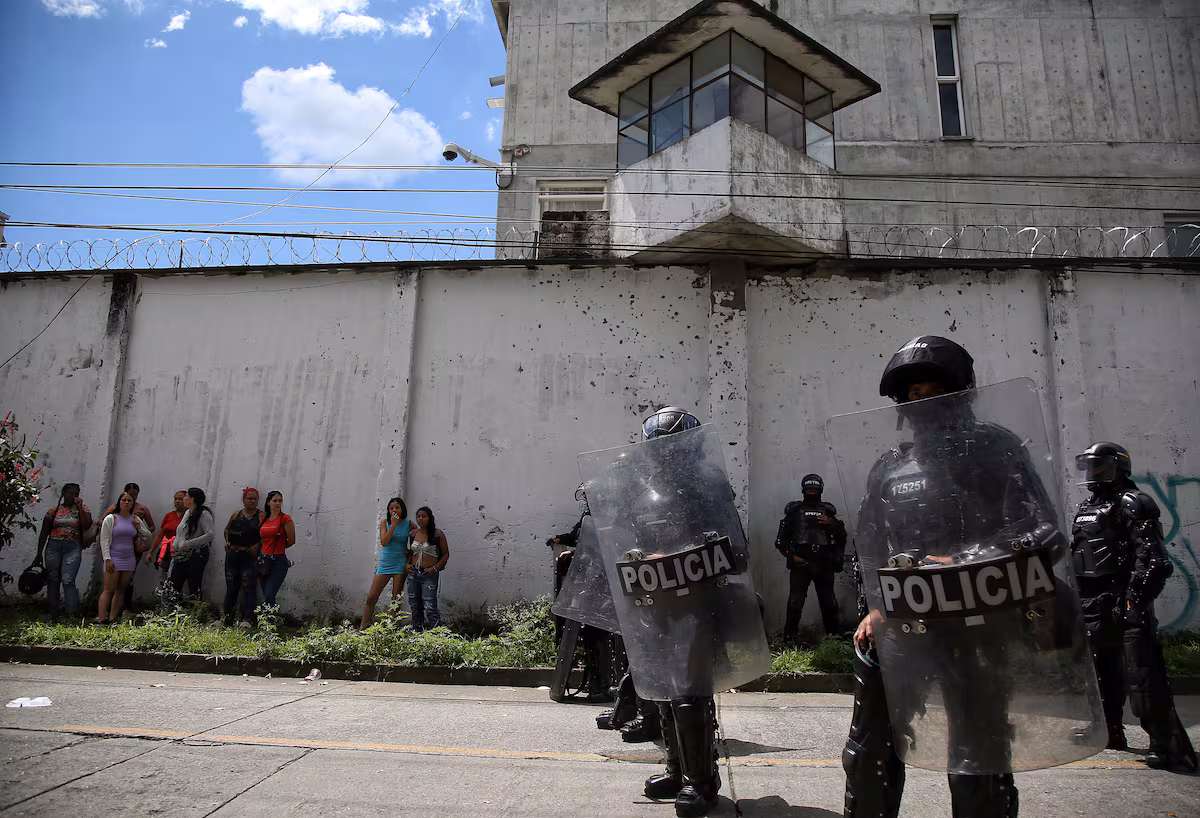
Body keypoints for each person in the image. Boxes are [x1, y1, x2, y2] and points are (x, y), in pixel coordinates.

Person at [840, 335, 1071, 818]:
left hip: (976, 624)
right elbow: (871, 546)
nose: (924, 402)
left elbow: (1043, 532)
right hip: (903, 624)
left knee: (977, 758)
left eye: (935, 391)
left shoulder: (996, 450)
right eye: (914, 394)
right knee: (866, 753)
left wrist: (969, 562)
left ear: (961, 394)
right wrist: (874, 607)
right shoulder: (891, 466)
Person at [1071, 441, 1198, 772]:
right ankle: (1108, 730)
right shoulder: (1086, 507)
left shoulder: (1133, 502)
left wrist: (1135, 600)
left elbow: (1154, 559)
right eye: (1089, 466)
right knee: (1099, 673)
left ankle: (1166, 745)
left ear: (1118, 467)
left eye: (1100, 465)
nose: (1093, 472)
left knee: (1143, 675)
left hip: (1123, 598)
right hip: (1092, 602)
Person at [775, 473, 847, 641]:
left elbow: (841, 538)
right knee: (795, 602)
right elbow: (781, 540)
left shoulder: (828, 512)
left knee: (828, 603)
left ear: (820, 490)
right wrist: (792, 556)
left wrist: (833, 525)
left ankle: (834, 639)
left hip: (824, 563)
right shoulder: (794, 512)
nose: (812, 493)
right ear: (803, 490)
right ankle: (789, 638)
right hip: (801, 564)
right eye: (809, 490)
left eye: (815, 490)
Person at [34, 483, 92, 622]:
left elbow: (87, 525)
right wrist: (39, 554)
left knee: (68, 579)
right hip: (54, 546)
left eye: (76, 493)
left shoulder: (83, 509)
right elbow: (44, 533)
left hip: (73, 546)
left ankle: (71, 614)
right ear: (64, 493)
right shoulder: (53, 511)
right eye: (71, 493)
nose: (74, 496)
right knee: (53, 579)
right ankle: (53, 613)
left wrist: (80, 508)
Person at [96, 490, 153, 624]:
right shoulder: (111, 518)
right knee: (108, 589)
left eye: (129, 501)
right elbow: (104, 540)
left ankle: (113, 618)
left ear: (133, 503)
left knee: (121, 590)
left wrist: (139, 527)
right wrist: (107, 559)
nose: (126, 503)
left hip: (129, 558)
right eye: (124, 500)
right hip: (114, 557)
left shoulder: (135, 519)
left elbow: (148, 535)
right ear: (119, 502)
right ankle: (102, 619)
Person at [360, 497, 414, 629]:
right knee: (371, 598)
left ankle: (393, 630)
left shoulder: (409, 524)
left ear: (402, 509)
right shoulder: (384, 523)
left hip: (400, 564)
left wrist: (409, 555)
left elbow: (416, 544)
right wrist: (393, 524)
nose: (394, 510)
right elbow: (384, 542)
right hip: (385, 564)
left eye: (397, 507)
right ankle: (363, 629)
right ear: (388, 511)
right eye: (391, 508)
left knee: (395, 600)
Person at [223, 487, 264, 629]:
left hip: (249, 557)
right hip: (233, 555)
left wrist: (257, 545)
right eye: (249, 498)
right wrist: (227, 541)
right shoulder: (236, 514)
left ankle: (247, 619)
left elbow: (267, 535)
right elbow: (227, 529)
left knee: (249, 586)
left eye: (255, 499)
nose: (252, 501)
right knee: (231, 586)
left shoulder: (261, 516)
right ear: (244, 499)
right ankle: (227, 617)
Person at [406, 506, 448, 629]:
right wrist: (407, 564)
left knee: (430, 606)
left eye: (424, 516)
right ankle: (417, 631)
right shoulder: (413, 534)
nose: (420, 519)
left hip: (429, 574)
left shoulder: (437, 534)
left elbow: (445, 555)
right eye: (418, 516)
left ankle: (436, 633)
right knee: (414, 605)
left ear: (430, 518)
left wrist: (435, 568)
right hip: (413, 573)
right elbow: (411, 552)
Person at [171, 487, 214, 600]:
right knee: (174, 583)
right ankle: (175, 608)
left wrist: (189, 543)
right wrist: (176, 543)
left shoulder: (204, 514)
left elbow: (210, 535)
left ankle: (195, 609)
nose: (183, 499)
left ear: (192, 499)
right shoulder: (187, 512)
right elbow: (182, 531)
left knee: (194, 585)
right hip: (181, 554)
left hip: (196, 554)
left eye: (186, 496)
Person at [258, 490, 296, 608]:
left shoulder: (285, 519)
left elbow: (291, 540)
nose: (278, 503)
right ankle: (268, 617)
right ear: (268, 502)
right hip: (263, 559)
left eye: (280, 501)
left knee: (269, 593)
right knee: (267, 595)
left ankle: (268, 618)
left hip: (278, 560)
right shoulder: (263, 518)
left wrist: (277, 548)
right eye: (275, 501)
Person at [146, 490, 187, 585]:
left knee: (173, 578)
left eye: (180, 499)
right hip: (166, 550)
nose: (177, 501)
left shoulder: (188, 516)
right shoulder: (169, 515)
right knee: (162, 576)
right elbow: (160, 535)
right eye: (175, 499)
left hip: (179, 551)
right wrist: (150, 551)